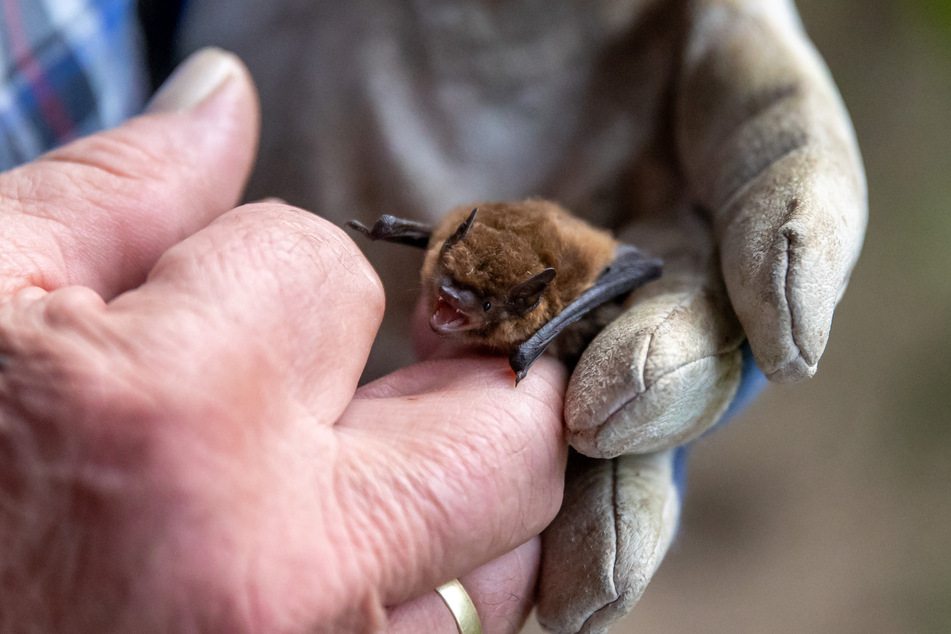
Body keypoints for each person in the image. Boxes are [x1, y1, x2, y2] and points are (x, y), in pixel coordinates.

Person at [0, 1, 867, 632]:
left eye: (468, 303)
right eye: (443, 282)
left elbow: (605, 281)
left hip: (568, 285)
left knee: (624, 385)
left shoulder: (553, 296)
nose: (446, 306)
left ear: (525, 307)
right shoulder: (457, 245)